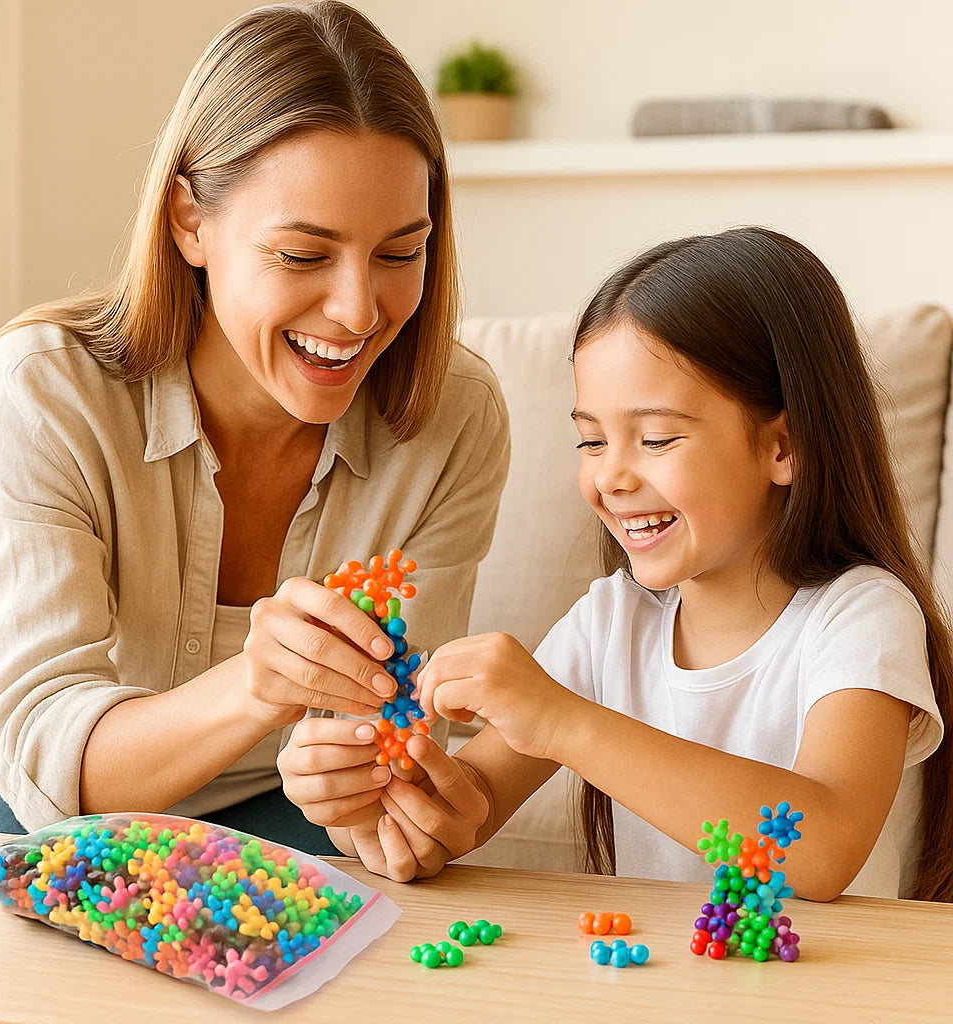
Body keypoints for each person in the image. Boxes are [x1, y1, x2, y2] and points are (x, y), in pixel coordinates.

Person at [0, 2, 510, 850]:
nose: (357, 312)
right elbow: (47, 751)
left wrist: (403, 807)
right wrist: (256, 687)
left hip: (284, 804)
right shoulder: (46, 388)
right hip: (23, 794)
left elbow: (398, 737)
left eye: (399, 253)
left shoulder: (453, 416)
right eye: (303, 255)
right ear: (189, 221)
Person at [278, 227, 953, 902]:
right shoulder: (610, 621)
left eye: (656, 438)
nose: (611, 477)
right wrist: (378, 797)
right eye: (592, 440)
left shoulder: (863, 615)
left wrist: (565, 721)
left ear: (783, 446)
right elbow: (468, 809)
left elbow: (823, 850)